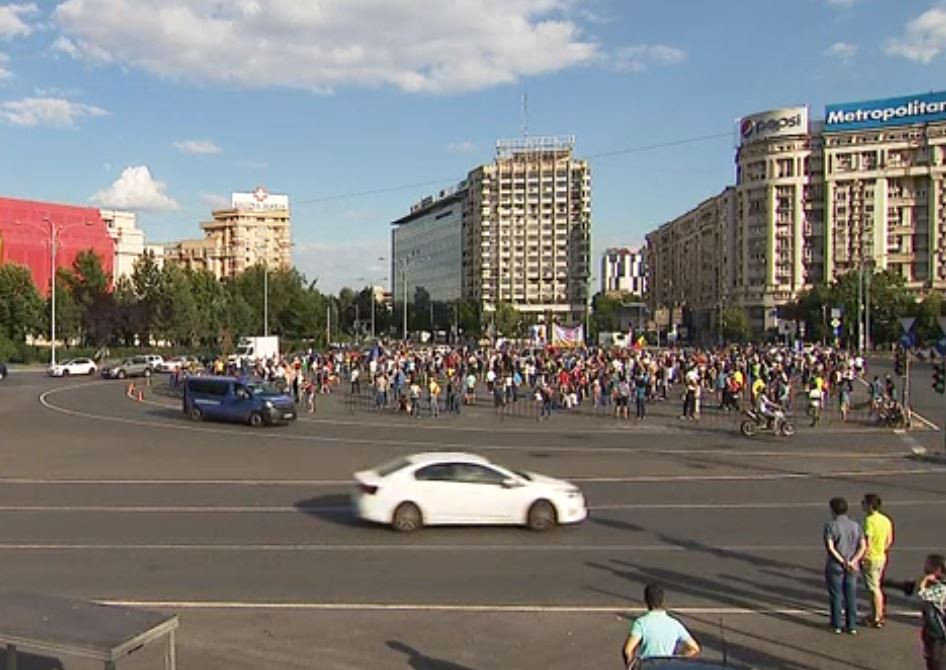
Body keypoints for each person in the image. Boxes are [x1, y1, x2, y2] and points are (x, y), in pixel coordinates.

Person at [622, 583, 700, 667]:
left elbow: (627, 650)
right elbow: (694, 648)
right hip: (667, 666)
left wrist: (631, 666)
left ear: (646, 600)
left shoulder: (641, 623)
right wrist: (676, 658)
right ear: (662, 600)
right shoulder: (674, 623)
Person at [824, 497, 866, 634]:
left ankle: (836, 624)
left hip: (836, 565)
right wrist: (853, 561)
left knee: (836, 595)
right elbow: (862, 546)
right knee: (851, 595)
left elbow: (831, 547)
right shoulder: (855, 525)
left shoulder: (831, 525)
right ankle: (851, 625)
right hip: (853, 566)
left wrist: (842, 561)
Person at [861, 493, 894, 627]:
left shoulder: (869, 521)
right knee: (876, 586)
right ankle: (876, 612)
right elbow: (889, 540)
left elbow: (867, 541)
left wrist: (863, 556)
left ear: (869, 505)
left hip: (871, 558)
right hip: (881, 556)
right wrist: (881, 549)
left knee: (873, 588)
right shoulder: (885, 520)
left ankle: (877, 616)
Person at [916, 553, 946, 670]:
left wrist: (924, 580)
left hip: (938, 631)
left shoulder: (941, 588)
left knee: (936, 660)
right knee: (931, 657)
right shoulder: (937, 586)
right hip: (932, 629)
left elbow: (921, 594)